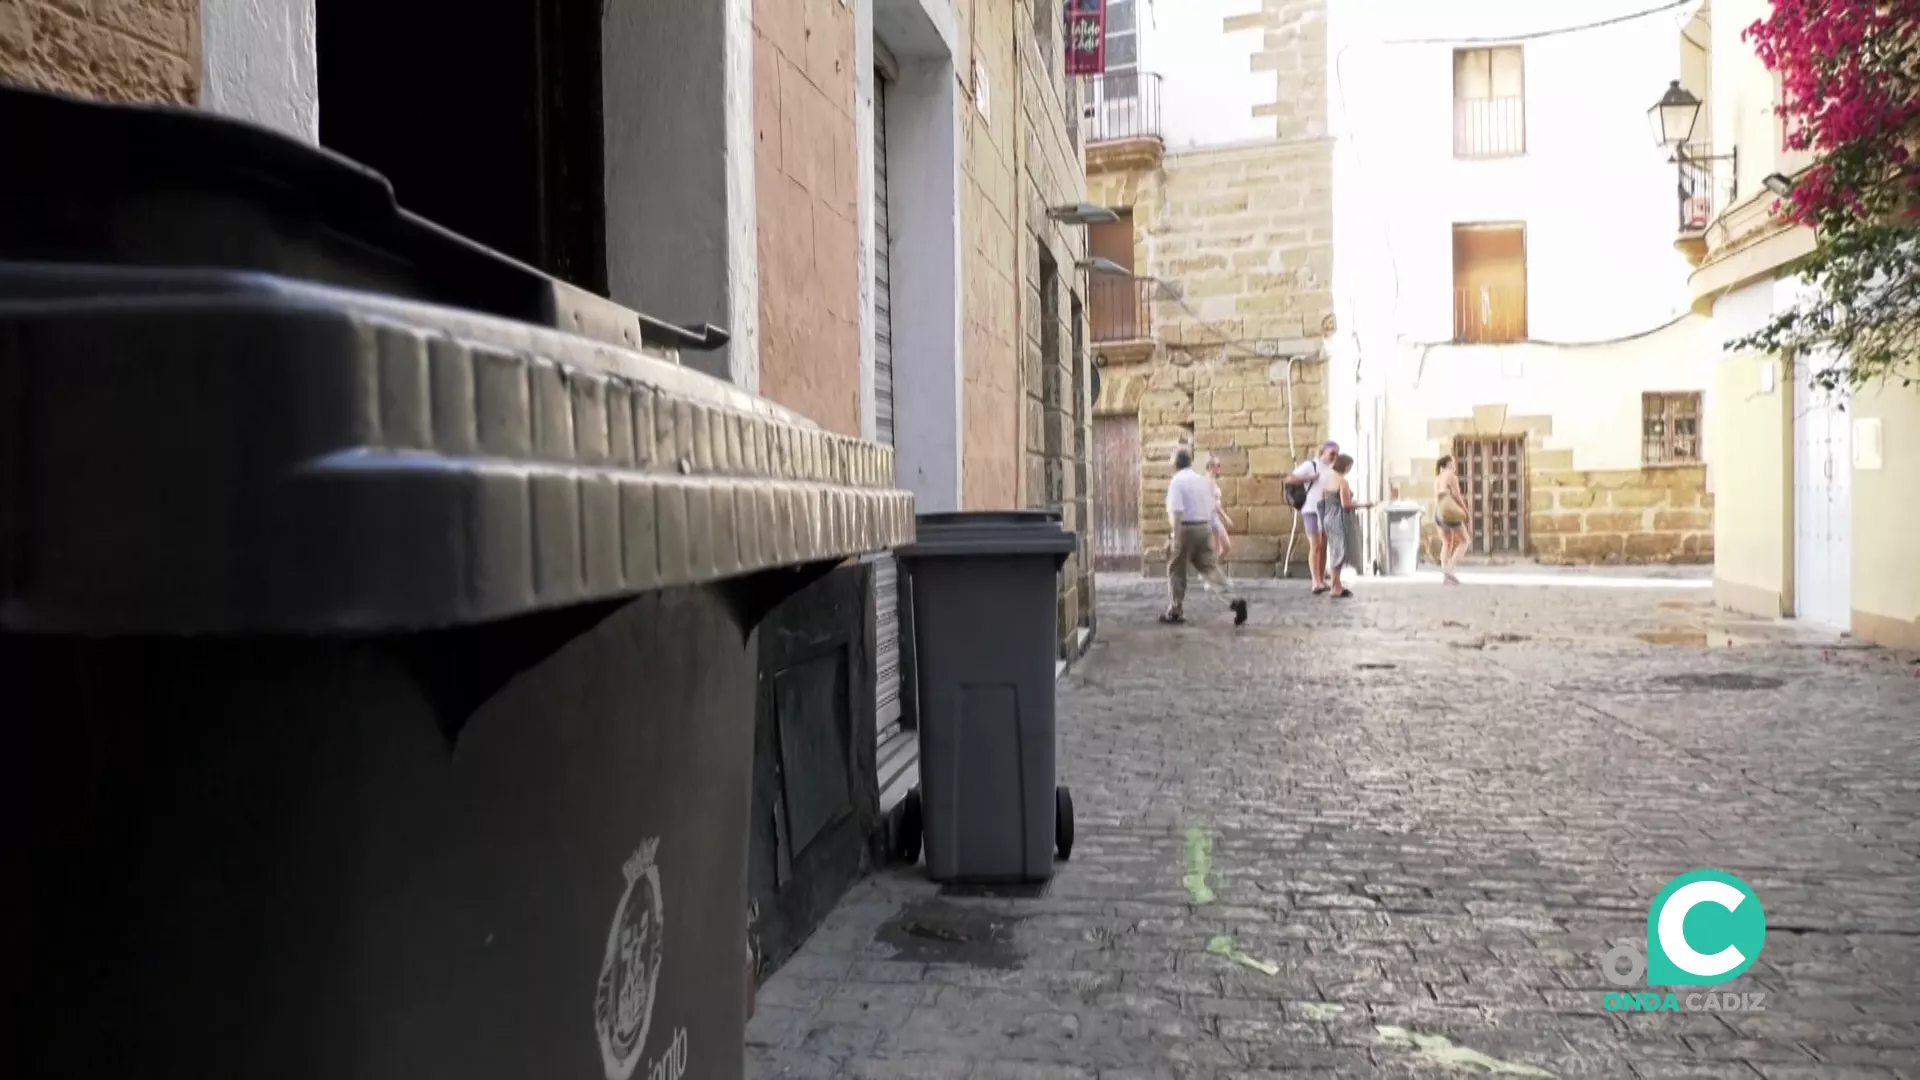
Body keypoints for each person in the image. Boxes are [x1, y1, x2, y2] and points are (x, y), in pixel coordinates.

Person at [1161, 447, 1250, 626]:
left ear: (1175, 463)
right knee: (1210, 568)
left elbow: (1177, 512)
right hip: (1204, 528)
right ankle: (1233, 599)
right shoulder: (1201, 481)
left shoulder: (1177, 482)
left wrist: (1174, 537)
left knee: (1176, 569)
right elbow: (1210, 507)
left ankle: (1175, 610)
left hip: (1186, 529)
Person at [1283, 441, 1340, 594]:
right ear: (1323, 452)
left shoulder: (1332, 469)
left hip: (1326, 510)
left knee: (1323, 546)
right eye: (1332, 453)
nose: (1335, 456)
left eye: (1336, 454)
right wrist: (1309, 478)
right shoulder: (1311, 465)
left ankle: (1321, 580)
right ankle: (1315, 582)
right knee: (1315, 544)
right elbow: (1289, 480)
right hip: (1310, 509)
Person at [1320, 453, 1358, 598]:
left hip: (1327, 517)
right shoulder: (1342, 482)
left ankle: (1337, 585)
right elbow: (1346, 504)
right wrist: (1362, 505)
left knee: (1334, 550)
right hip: (1338, 518)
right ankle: (1335, 586)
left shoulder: (1327, 478)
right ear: (1346, 466)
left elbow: (1324, 498)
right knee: (1340, 551)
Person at [1433, 454, 1472, 586]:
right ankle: (1450, 568)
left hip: (1438, 511)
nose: (1455, 466)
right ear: (1449, 464)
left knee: (1447, 542)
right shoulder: (1450, 475)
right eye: (1453, 463)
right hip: (1448, 510)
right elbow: (1456, 495)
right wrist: (1465, 511)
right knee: (1465, 540)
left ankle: (1445, 576)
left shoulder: (1437, 478)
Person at [1205, 454, 1235, 558]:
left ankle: (1209, 571)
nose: (1219, 468)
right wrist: (1226, 517)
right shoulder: (1209, 480)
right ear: (1211, 467)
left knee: (1223, 547)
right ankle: (1208, 572)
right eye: (1218, 465)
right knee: (1222, 547)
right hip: (1211, 517)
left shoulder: (1211, 480)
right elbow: (1214, 503)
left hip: (1214, 517)